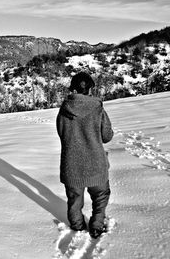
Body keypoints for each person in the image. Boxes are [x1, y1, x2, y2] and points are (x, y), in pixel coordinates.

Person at [56, 71, 114, 238]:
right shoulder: (98, 109)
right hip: (96, 163)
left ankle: (77, 226)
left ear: (73, 89)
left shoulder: (64, 110)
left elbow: (62, 134)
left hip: (71, 164)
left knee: (74, 199)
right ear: (90, 89)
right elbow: (107, 136)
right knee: (101, 195)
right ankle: (96, 225)